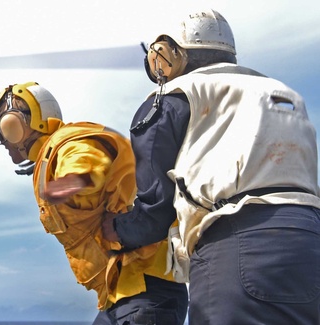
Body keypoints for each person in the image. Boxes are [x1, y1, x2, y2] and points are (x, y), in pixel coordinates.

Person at [101, 8, 320, 324]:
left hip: (237, 242)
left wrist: (114, 230)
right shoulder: (284, 94)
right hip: (310, 239)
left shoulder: (174, 96)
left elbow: (155, 210)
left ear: (165, 54)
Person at [0, 82, 188, 324]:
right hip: (119, 293)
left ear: (16, 125)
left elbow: (89, 172)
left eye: (2, 129)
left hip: (144, 287)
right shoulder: (54, 153)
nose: (1, 140)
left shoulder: (68, 144)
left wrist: (57, 189)